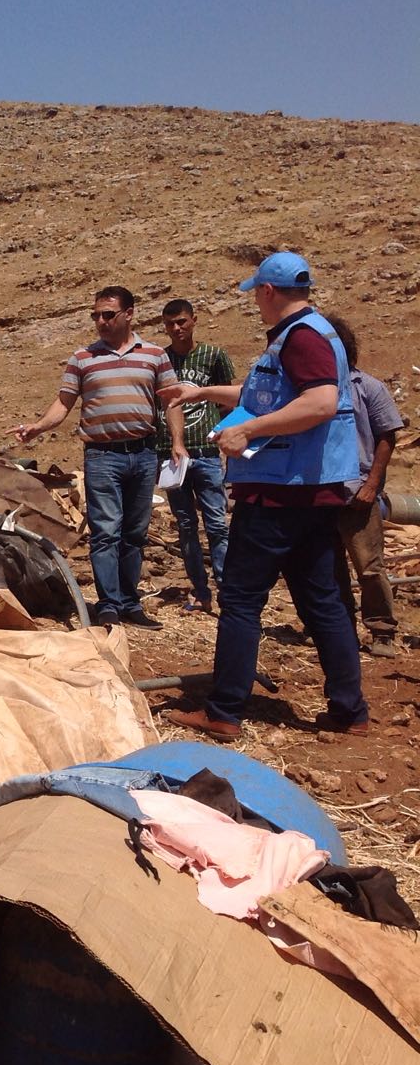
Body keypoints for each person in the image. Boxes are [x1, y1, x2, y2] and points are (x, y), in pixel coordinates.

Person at [162, 251, 369, 740]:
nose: (255, 301)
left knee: (240, 599)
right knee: (322, 602)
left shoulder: (300, 339)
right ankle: (349, 711)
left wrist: (248, 432)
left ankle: (224, 711)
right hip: (310, 494)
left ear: (269, 292)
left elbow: (319, 401)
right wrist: (205, 394)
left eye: (256, 292)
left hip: (277, 496)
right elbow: (268, 396)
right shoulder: (309, 335)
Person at [10, 286, 183, 627]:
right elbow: (64, 403)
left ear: (129, 314)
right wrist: (37, 427)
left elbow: (171, 401)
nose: (100, 322)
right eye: (95, 316)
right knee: (106, 532)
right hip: (102, 456)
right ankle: (108, 606)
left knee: (135, 532)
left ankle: (131, 605)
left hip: (144, 454)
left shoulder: (154, 356)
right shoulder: (83, 358)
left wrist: (177, 442)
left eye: (108, 315)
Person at [324, 315, 405, 658]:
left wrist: (372, 483)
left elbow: (388, 434)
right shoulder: (311, 393)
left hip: (358, 491)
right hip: (321, 493)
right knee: (329, 568)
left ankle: (382, 630)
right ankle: (340, 630)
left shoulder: (367, 387)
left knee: (369, 567)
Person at [155, 300, 233, 614]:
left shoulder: (213, 356)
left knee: (217, 525)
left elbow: (228, 401)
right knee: (185, 526)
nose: (177, 329)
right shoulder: (161, 360)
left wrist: (227, 435)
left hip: (207, 452)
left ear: (194, 321)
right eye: (170, 323)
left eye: (182, 322)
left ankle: (228, 594)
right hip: (171, 458)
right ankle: (201, 593)